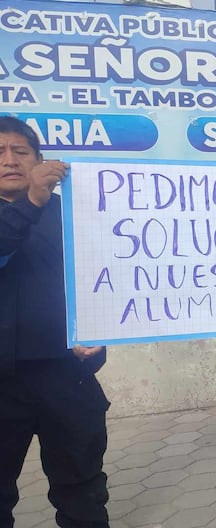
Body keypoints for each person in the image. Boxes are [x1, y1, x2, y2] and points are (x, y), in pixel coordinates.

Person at [0, 116, 110, 528]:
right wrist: (31, 201)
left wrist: (99, 333)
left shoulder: (75, 214)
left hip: (67, 377)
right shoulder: (33, 204)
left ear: (40, 159)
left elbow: (106, 278)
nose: (10, 160)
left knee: (83, 492)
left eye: (21, 151)